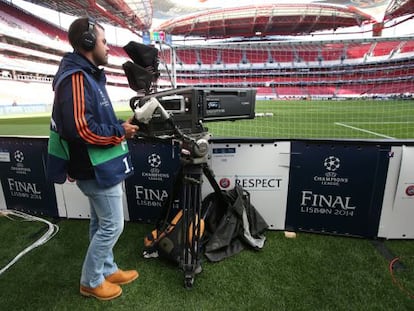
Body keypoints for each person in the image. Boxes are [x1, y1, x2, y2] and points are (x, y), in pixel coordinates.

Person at [47, 17, 139, 301]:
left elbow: (92, 120)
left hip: (99, 164)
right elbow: (81, 128)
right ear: (88, 43)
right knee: (112, 225)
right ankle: (90, 281)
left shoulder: (87, 74)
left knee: (101, 223)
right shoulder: (76, 77)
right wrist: (118, 133)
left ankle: (106, 270)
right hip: (93, 166)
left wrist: (119, 126)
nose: (108, 47)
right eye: (103, 41)